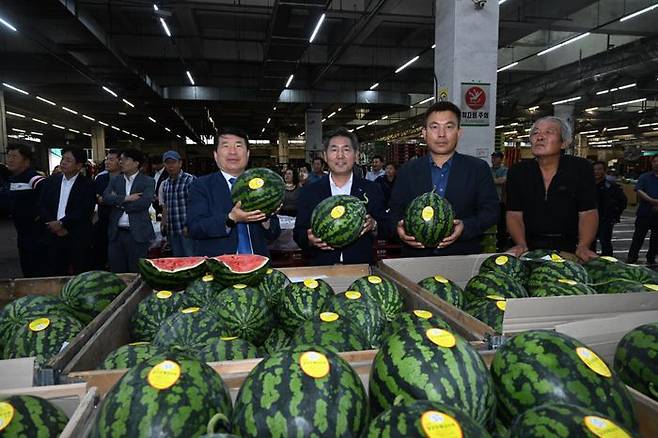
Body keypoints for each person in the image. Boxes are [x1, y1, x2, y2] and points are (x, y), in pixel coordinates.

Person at [389, 101, 499, 257]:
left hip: (462, 256)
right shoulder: (407, 170)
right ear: (424, 133)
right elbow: (394, 213)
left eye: (449, 127)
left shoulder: (478, 168)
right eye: (434, 127)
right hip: (416, 258)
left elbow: (491, 211)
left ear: (459, 132)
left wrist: (465, 228)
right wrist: (398, 230)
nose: (441, 134)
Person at [506, 116, 598, 261]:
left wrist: (583, 246)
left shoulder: (580, 168)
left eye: (549, 132)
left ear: (564, 143)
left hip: (571, 247)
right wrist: (521, 243)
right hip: (530, 247)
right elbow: (514, 214)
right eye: (535, 133)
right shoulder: (518, 172)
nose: (540, 137)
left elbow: (588, 212)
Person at [294, 127, 385, 265]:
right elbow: (298, 232)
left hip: (360, 268)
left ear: (356, 155)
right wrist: (309, 240)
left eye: (346, 149)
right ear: (325, 155)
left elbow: (387, 226)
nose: (340, 155)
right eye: (334, 150)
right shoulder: (309, 192)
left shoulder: (372, 189)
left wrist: (374, 224)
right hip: (321, 268)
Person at [187, 127, 280, 256]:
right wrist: (231, 219)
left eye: (238, 146)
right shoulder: (201, 186)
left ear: (247, 154)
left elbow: (274, 234)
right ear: (215, 155)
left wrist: (265, 217)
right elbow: (195, 228)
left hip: (258, 264)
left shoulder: (261, 184)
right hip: (219, 268)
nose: (232, 152)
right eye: (226, 146)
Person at [39, 147, 95, 275]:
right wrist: (53, 224)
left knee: (80, 271)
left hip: (76, 234)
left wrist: (63, 224)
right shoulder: (51, 181)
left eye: (68, 160)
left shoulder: (87, 184)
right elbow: (42, 205)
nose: (63, 162)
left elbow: (85, 210)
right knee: (54, 271)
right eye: (63, 158)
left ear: (79, 165)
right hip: (52, 233)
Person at [103, 148, 155, 273]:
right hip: (116, 233)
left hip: (137, 233)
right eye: (120, 160)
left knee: (136, 271)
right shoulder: (116, 180)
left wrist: (118, 203)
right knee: (117, 271)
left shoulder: (148, 181)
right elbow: (106, 198)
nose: (121, 162)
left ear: (136, 163)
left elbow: (144, 203)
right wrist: (127, 198)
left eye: (125, 160)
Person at [0, 144, 47, 277]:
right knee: (27, 272)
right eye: (8, 156)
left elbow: (48, 196)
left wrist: (38, 216)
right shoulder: (11, 180)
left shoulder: (33, 178)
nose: (10, 159)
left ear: (26, 161)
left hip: (38, 238)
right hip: (22, 236)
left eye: (15, 156)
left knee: (39, 273)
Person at [161, 150, 196, 257]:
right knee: (177, 261)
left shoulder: (190, 180)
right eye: (167, 163)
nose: (170, 166)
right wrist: (164, 223)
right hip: (172, 230)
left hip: (187, 230)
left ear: (180, 163)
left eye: (173, 162)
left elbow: (196, 205)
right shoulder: (165, 184)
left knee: (191, 260)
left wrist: (188, 225)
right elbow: (166, 205)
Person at [591, 161, 627, 257]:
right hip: (590, 219)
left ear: (604, 171)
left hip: (606, 220)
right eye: (594, 169)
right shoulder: (587, 186)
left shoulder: (611, 186)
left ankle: (608, 263)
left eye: (599, 169)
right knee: (590, 242)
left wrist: (615, 215)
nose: (596, 172)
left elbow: (622, 201)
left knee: (605, 242)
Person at [93, 149, 121, 269]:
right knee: (100, 254)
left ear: (120, 162)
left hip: (120, 224)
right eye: (106, 159)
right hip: (103, 222)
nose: (107, 162)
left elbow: (121, 200)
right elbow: (95, 197)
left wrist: (105, 199)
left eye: (111, 159)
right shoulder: (100, 178)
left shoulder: (126, 179)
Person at [627, 155, 658, 265]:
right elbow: (639, 190)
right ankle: (632, 256)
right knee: (638, 237)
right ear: (652, 163)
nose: (657, 163)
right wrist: (651, 200)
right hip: (644, 213)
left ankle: (651, 257)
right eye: (655, 161)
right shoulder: (644, 177)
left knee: (656, 239)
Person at [491, 151, 509, 251]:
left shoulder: (505, 170)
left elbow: (503, 180)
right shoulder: (488, 169)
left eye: (496, 158)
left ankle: (502, 246)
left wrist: (490, 180)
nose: (493, 159)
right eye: (493, 157)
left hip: (501, 201)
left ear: (501, 159)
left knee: (501, 224)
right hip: (490, 201)